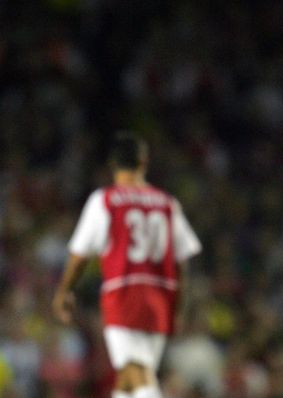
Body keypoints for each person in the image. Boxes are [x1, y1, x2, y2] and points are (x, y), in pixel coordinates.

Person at [52, 135, 202, 398]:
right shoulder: (168, 203)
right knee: (128, 381)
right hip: (160, 299)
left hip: (123, 295)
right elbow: (182, 264)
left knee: (136, 373)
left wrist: (64, 291)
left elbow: (80, 255)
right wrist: (178, 309)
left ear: (113, 164)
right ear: (144, 162)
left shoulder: (106, 200)